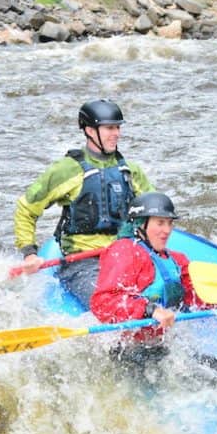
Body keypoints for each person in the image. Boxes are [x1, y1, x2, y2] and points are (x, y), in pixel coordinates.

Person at [13, 99, 155, 307]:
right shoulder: (66, 170)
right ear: (90, 130)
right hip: (82, 263)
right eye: (109, 128)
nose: (116, 133)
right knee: (113, 305)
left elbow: (155, 210)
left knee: (162, 295)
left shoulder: (130, 170)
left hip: (124, 257)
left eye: (117, 127)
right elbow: (26, 209)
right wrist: (29, 253)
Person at [90, 193, 208, 370]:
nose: (167, 230)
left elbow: (199, 297)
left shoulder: (177, 259)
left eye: (169, 223)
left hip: (163, 345)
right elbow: (103, 303)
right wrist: (150, 309)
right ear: (140, 224)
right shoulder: (124, 251)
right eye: (160, 223)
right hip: (127, 348)